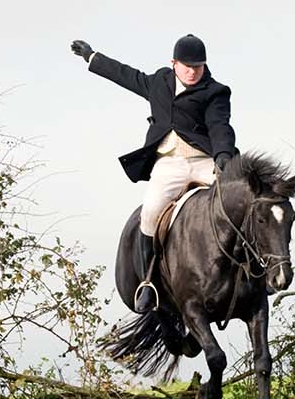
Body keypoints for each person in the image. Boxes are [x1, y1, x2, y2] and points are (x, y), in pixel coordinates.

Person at [70, 34, 238, 313]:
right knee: (149, 212)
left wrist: (223, 155)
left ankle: (255, 271)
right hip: (169, 163)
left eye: (198, 66)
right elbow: (127, 76)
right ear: (174, 63)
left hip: (205, 160)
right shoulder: (160, 81)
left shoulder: (215, 91)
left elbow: (220, 125)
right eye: (187, 66)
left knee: (238, 202)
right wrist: (92, 57)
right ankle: (149, 282)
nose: (193, 71)